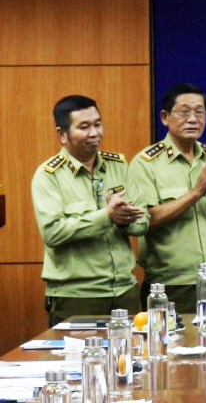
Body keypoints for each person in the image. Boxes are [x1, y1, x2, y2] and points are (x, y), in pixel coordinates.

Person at [127, 83, 206, 315]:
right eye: (184, 111)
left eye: (199, 112)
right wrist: (196, 193)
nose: (192, 119)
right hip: (170, 284)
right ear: (165, 117)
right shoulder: (146, 163)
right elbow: (146, 220)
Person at [31, 95, 147, 325]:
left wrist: (123, 220)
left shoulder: (119, 167)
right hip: (77, 296)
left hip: (125, 290)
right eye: (84, 127)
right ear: (62, 135)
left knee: (132, 350)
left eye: (98, 124)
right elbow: (53, 232)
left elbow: (143, 223)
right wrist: (107, 216)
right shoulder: (48, 176)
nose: (94, 133)